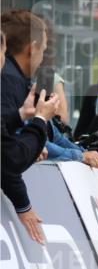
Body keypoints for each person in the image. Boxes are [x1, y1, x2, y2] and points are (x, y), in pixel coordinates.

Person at [1, 27, 60, 246]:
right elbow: (10, 158)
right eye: (2, 54)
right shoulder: (9, 80)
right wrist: (40, 121)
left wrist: (19, 116)